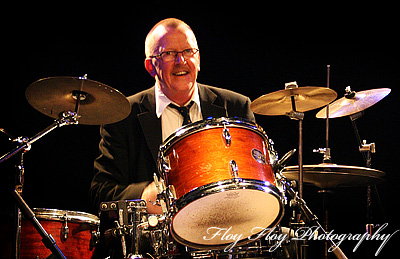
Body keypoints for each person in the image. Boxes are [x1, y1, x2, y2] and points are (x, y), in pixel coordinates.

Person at [89, 18, 255, 216]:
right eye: (169, 54)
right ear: (150, 66)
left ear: (199, 59)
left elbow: (255, 179)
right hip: (156, 243)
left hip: (225, 232)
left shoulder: (236, 107)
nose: (181, 61)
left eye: (188, 51)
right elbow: (100, 194)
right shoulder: (123, 116)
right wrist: (142, 197)